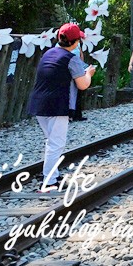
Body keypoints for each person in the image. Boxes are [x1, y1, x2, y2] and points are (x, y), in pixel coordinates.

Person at [27, 23, 95, 191]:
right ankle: (49, 182)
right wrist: (89, 73)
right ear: (76, 41)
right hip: (57, 104)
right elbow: (83, 85)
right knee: (56, 143)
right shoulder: (71, 59)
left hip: (39, 103)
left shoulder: (48, 53)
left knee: (51, 142)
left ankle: (53, 177)